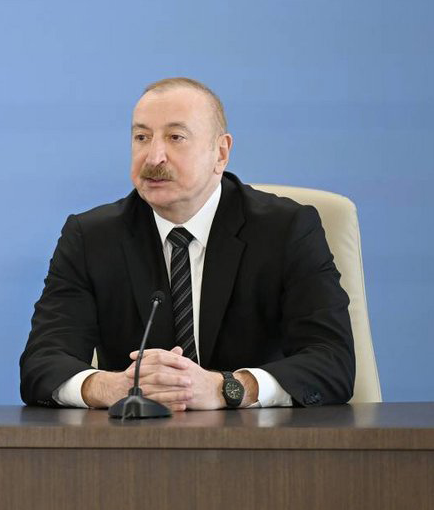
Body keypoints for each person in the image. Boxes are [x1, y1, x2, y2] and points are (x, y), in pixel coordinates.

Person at [20, 78, 355, 410]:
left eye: (175, 137)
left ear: (220, 153)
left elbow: (332, 360)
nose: (154, 157)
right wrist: (111, 387)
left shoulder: (286, 230)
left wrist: (228, 388)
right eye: (142, 137)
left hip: (258, 438)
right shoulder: (91, 237)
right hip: (135, 439)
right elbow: (41, 364)